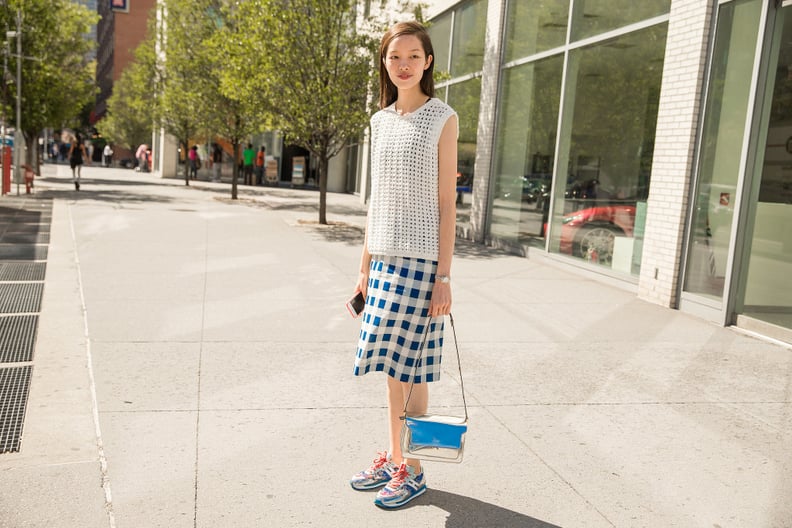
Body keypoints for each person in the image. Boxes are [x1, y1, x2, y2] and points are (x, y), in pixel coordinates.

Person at [349, 21, 458, 510]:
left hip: (422, 263)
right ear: (385, 63)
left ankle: (412, 469)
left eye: (413, 55)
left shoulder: (442, 117)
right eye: (395, 57)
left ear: (427, 61)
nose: (404, 64)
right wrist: (363, 269)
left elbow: (446, 202)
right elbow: (376, 201)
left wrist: (444, 276)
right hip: (385, 259)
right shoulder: (379, 121)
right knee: (392, 367)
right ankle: (396, 456)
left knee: (412, 370)